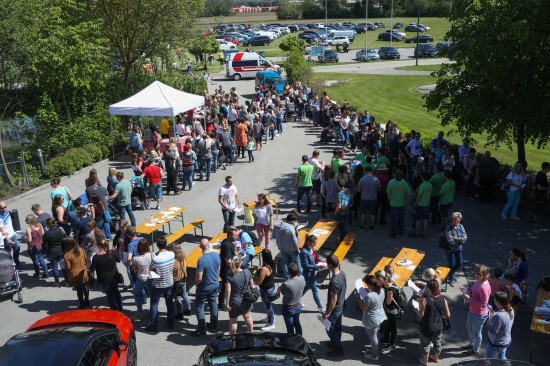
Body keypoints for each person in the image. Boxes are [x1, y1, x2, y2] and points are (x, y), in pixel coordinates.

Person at [415, 279, 451, 366]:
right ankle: (435, 358)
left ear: (429, 288)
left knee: (425, 345)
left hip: (426, 326)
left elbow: (421, 314)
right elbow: (448, 314)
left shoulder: (425, 300)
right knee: (437, 343)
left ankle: (425, 362)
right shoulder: (443, 299)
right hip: (438, 326)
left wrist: (416, 309)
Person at [145, 237, 175, 334]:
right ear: (166, 244)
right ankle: (170, 323)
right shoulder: (172, 254)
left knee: (154, 304)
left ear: (157, 245)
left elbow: (150, 269)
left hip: (158, 285)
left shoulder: (156, 259)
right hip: (169, 282)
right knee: (169, 303)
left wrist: (154, 257)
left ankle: (154, 326)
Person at [193, 238, 221, 336]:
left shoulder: (201, 260)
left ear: (200, 247)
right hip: (214, 284)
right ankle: (213, 325)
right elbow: (218, 270)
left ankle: (201, 330)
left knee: (199, 307)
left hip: (204, 287)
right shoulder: (216, 255)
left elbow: (199, 277)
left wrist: (196, 284)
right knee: (213, 303)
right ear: (209, 245)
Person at [320, 255, 347, 358]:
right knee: (337, 327)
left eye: (327, 264)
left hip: (335, 309)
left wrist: (327, 313)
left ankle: (338, 350)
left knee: (329, 328)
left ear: (330, 265)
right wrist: (327, 286)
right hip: (341, 306)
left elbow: (333, 299)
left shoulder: (334, 281)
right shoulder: (342, 273)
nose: (326, 265)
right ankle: (335, 343)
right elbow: (340, 287)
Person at [462, 265, 491, 357]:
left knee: (476, 332)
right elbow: (473, 290)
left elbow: (483, 305)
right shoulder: (478, 282)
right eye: (476, 273)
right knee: (468, 327)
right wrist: (467, 289)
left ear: (484, 275)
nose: (476, 275)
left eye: (479, 274)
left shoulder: (484, 287)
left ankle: (475, 350)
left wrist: (469, 299)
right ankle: (472, 344)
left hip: (479, 314)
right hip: (472, 310)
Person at [356, 274, 387, 361]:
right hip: (379, 316)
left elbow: (363, 308)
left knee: (373, 337)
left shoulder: (369, 296)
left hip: (371, 319)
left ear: (369, 285)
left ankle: (374, 355)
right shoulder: (382, 290)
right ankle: (375, 349)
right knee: (376, 334)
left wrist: (359, 298)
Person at [90, 240, 123, 311]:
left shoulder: (96, 257)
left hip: (104, 279)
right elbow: (119, 260)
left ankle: (114, 310)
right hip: (114, 276)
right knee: (116, 292)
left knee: (110, 295)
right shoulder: (113, 253)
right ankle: (120, 307)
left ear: (98, 246)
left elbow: (92, 269)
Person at [225, 255, 254, 334]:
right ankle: (250, 333)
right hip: (246, 299)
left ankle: (232, 338)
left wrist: (227, 303)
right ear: (241, 263)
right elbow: (252, 286)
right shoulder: (247, 272)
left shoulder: (229, 275)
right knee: (247, 316)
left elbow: (228, 290)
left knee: (233, 321)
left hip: (235, 300)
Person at [278, 262, 306, 335]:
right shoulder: (302, 278)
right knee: (297, 323)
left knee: (290, 327)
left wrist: (279, 289)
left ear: (288, 272)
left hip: (288, 308)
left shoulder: (286, 284)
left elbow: (283, 292)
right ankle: (300, 339)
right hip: (298, 305)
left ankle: (291, 342)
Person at [485, 291, 515, 360]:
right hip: (505, 341)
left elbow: (493, 331)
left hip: (496, 344)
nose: (493, 299)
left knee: (488, 361)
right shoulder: (510, 309)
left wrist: (489, 319)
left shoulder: (499, 316)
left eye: (494, 299)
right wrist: (494, 314)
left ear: (497, 302)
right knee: (502, 358)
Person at [300, 235, 324, 313]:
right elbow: (305, 266)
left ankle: (295, 300)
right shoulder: (304, 251)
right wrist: (317, 267)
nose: (315, 244)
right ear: (309, 242)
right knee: (315, 291)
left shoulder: (311, 248)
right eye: (314, 243)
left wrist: (321, 261)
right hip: (308, 274)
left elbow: (314, 257)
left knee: (306, 287)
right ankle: (320, 307)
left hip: (312, 273)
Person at [63, 237, 90, 308]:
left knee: (79, 289)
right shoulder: (81, 249)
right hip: (83, 271)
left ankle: (82, 304)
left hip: (75, 274)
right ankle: (87, 301)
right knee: (85, 286)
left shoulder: (67, 255)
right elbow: (86, 259)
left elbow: (68, 268)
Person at [273, 213, 301, 281]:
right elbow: (294, 240)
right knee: (297, 262)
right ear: (290, 221)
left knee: (284, 262)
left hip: (282, 248)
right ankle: (300, 276)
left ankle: (287, 277)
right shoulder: (291, 228)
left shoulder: (277, 225)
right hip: (292, 249)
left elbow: (273, 236)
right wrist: (298, 249)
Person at [255, 249, 277, 332]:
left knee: (268, 306)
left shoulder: (264, 269)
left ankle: (271, 323)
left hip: (265, 289)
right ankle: (269, 317)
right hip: (271, 286)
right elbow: (272, 273)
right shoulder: (273, 264)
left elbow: (259, 282)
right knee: (268, 305)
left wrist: (254, 278)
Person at [444, 212, 468, 286]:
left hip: (459, 248)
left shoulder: (461, 226)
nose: (455, 222)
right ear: (452, 219)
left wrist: (454, 238)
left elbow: (465, 238)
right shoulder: (448, 227)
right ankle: (451, 279)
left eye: (457, 220)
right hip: (450, 249)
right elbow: (449, 240)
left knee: (459, 264)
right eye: (454, 220)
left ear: (460, 220)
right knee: (451, 265)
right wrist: (459, 239)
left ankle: (450, 273)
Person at [130, 239, 151, 321]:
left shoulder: (135, 259)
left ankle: (140, 313)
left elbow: (135, 271)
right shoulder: (151, 255)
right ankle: (152, 311)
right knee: (153, 295)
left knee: (136, 294)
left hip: (141, 278)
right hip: (150, 277)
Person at [387, 169, 410, 238]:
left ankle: (394, 233)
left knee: (393, 219)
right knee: (401, 218)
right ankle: (400, 231)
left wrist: (390, 201)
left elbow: (389, 194)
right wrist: (404, 197)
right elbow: (408, 193)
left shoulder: (391, 183)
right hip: (401, 203)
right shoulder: (404, 183)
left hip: (393, 204)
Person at [42, 218, 66, 287]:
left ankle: (57, 283)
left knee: (55, 267)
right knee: (63, 267)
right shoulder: (60, 230)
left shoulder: (47, 234)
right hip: (61, 251)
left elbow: (46, 246)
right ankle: (67, 281)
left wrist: (45, 254)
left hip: (52, 253)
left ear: (49, 224)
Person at [24, 214, 49, 279]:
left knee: (35, 261)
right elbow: (43, 233)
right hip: (40, 245)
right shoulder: (40, 225)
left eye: (26, 220)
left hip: (32, 247)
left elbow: (29, 240)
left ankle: (37, 274)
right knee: (41, 259)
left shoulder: (29, 228)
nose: (25, 221)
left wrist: (23, 238)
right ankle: (46, 273)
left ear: (29, 221)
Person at [218, 227, 237, 311]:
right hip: (227, 270)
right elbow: (228, 261)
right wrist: (234, 270)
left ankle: (225, 302)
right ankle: (222, 304)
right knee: (225, 287)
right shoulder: (227, 245)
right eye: (235, 235)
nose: (236, 237)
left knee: (226, 287)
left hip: (227, 269)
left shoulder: (227, 243)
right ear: (229, 235)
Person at [171, 244, 192, 320]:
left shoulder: (174, 261)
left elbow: (173, 272)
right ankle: (189, 309)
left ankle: (180, 313)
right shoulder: (183, 257)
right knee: (184, 295)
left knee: (177, 297)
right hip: (184, 278)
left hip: (177, 280)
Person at [410, 172, 433, 238]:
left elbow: (418, 196)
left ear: (422, 177)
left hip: (420, 205)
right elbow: (430, 194)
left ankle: (416, 233)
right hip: (427, 204)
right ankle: (424, 232)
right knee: (425, 218)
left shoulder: (422, 186)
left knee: (418, 219)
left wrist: (415, 203)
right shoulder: (430, 185)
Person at [357, 166, 380, 231]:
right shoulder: (376, 179)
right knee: (373, 213)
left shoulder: (362, 179)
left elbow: (358, 190)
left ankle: (362, 226)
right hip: (373, 198)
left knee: (363, 213)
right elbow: (378, 189)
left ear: (366, 171)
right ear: (371, 171)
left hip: (364, 198)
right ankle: (371, 227)